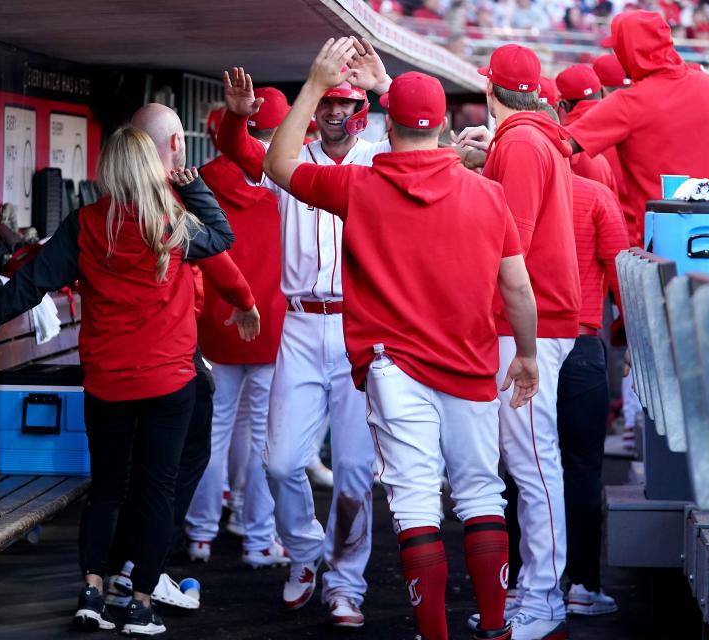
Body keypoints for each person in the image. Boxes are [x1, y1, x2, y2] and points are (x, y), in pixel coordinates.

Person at [263, 38, 541, 640]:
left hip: (393, 368)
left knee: (415, 502)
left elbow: (277, 162)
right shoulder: (485, 192)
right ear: (444, 125)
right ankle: (494, 626)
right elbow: (519, 291)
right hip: (467, 365)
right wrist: (526, 355)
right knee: (480, 495)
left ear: (386, 127)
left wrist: (312, 84)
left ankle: (434, 634)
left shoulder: (362, 186)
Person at [0, 127, 235, 636]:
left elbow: (29, 288)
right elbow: (222, 237)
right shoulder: (171, 223)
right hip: (168, 382)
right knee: (156, 492)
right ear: (151, 169)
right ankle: (140, 604)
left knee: (106, 490)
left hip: (106, 384)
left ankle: (92, 591)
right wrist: (194, 188)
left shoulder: (83, 225)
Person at [213, 39, 394, 627]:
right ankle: (307, 552)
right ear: (314, 106)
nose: (337, 113)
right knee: (281, 463)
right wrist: (242, 113)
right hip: (299, 325)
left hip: (360, 324)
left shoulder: (378, 157)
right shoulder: (291, 152)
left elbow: (432, 147)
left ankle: (346, 585)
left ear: (360, 107)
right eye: (328, 103)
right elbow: (241, 150)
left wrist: (385, 84)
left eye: (346, 102)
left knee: (353, 473)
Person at [102, 104, 259, 614]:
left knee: (138, 474)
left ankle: (128, 571)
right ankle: (141, 573)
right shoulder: (170, 195)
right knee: (167, 471)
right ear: (173, 145)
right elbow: (219, 253)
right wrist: (245, 301)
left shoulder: (111, 200)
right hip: (168, 361)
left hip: (116, 369)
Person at [455, 43, 580, 640]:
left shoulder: (524, 143)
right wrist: (484, 163)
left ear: (490, 91)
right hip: (532, 321)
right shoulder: (526, 138)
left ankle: (543, 597)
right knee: (526, 460)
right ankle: (533, 591)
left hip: (531, 323)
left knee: (531, 461)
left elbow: (513, 247)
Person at [185, 88, 290, 568]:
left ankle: (201, 534)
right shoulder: (291, 179)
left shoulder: (203, 177)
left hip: (217, 321)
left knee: (214, 430)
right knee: (263, 438)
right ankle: (256, 538)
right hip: (272, 322)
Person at [565, 11, 709, 246]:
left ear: (630, 50)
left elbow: (562, 145)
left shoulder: (628, 103)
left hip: (668, 248)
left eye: (617, 48)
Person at [559, 173, 628, 617]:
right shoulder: (596, 193)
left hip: (514, 341)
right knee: (582, 468)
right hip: (581, 341)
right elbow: (624, 278)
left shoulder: (500, 183)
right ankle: (581, 584)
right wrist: (633, 345)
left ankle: (518, 586)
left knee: (520, 468)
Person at [554, 65, 618, 195]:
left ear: (565, 105)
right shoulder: (625, 120)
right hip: (641, 212)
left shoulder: (565, 141)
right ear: (601, 92)